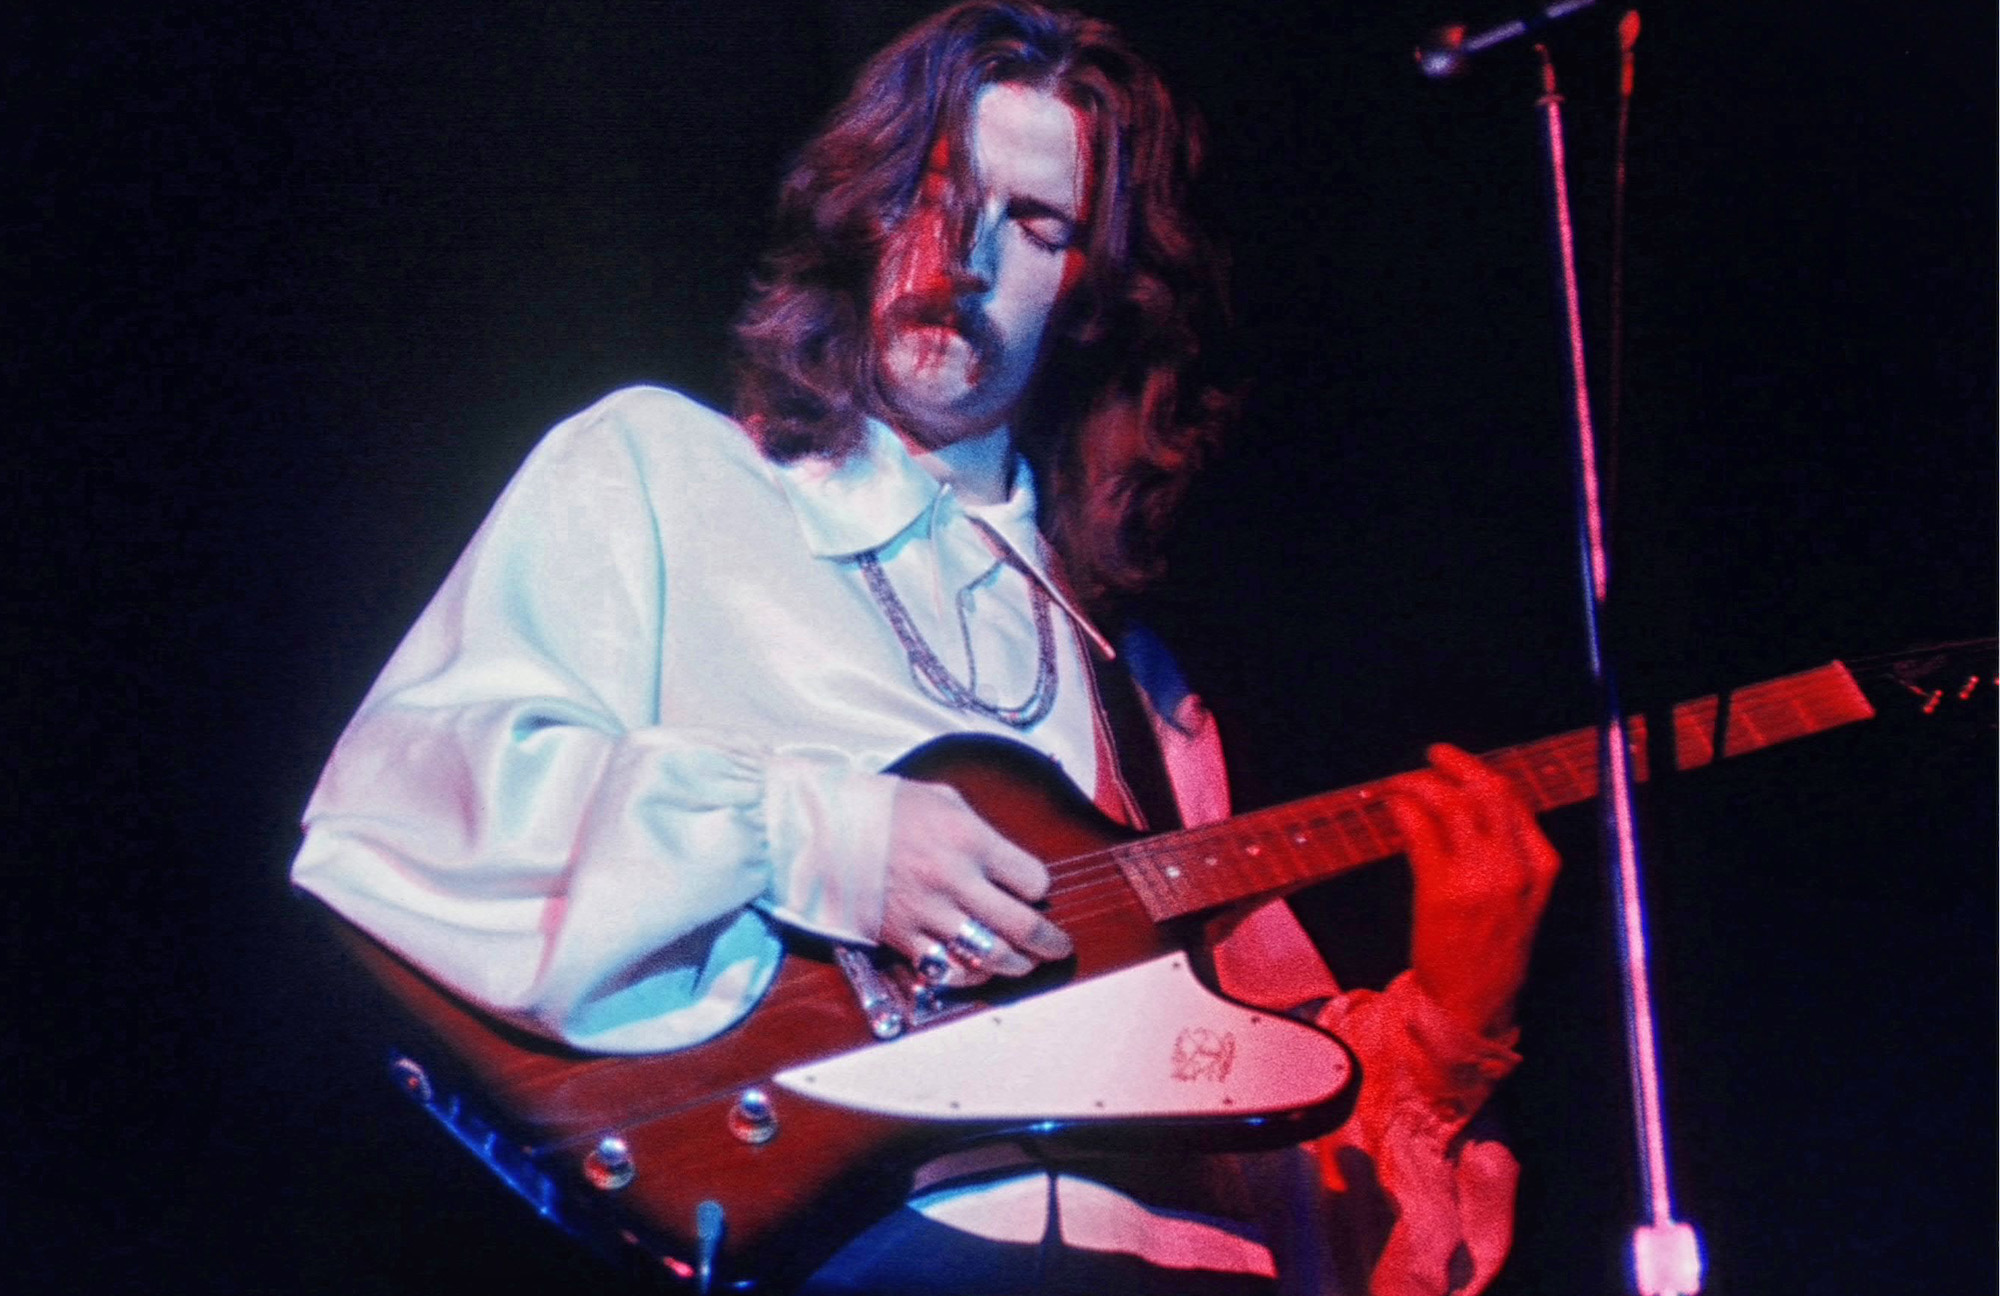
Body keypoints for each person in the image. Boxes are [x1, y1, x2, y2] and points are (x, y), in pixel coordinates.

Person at [291, 3, 1559, 1292]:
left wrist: (1450, 1028)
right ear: (868, 211)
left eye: (1039, 223)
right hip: (868, 1248)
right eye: (939, 193)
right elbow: (399, 812)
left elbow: (1251, 1109)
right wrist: (826, 838)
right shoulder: (664, 474)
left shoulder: (1142, 692)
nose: (966, 254)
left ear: (1090, 297)